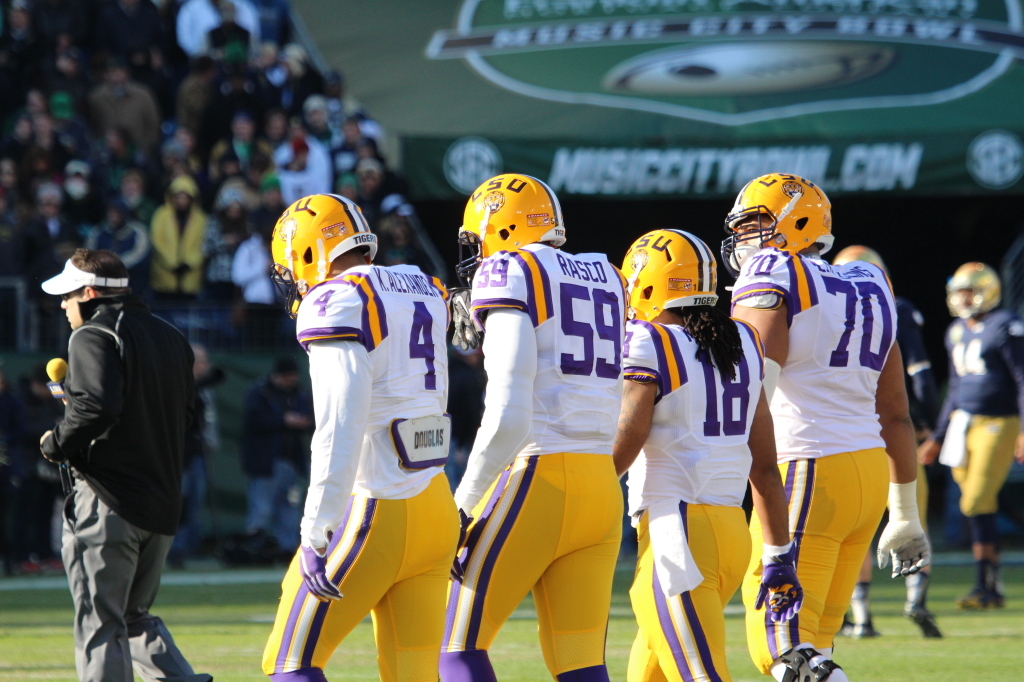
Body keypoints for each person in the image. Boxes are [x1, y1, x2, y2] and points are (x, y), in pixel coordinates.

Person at [722, 174, 929, 682]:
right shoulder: (870, 282)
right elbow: (896, 413)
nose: (745, 239)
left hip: (805, 471)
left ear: (793, 223)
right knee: (814, 642)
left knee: (777, 647)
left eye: (755, 225)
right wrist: (904, 512)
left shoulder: (774, 272)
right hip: (864, 478)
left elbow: (752, 388)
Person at [260, 193, 458, 682]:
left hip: (375, 505)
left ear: (308, 252)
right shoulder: (422, 285)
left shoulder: (337, 299)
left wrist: (316, 525)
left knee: (289, 663)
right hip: (435, 503)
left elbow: (339, 423)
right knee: (412, 673)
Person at [441, 175, 623, 682]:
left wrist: (464, 501)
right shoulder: (607, 273)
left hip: (538, 473)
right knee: (580, 662)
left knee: (454, 646)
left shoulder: (509, 269)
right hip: (602, 486)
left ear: (500, 228)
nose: (477, 254)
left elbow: (508, 411)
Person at [612, 229, 801, 682]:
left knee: (701, 675)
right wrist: (778, 553)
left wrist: (586, 490)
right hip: (730, 533)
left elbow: (629, 435)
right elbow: (765, 467)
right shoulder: (744, 343)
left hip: (675, 534)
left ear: (648, 283)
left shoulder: (648, 341)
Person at [37, 248, 210, 682]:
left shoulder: (92, 335)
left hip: (109, 503)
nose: (62, 305)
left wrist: (56, 443)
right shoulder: (172, 336)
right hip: (162, 504)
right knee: (134, 617)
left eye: (68, 296)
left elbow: (96, 405)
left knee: (101, 623)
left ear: (90, 293)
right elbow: (187, 417)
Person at [831, 245, 943, 638]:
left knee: (853, 528)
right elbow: (920, 378)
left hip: (844, 437)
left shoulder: (821, 306)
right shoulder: (891, 308)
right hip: (892, 435)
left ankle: (860, 617)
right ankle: (915, 600)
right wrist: (929, 426)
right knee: (911, 518)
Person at [918, 262, 1024, 609]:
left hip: (999, 421)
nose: (964, 299)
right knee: (979, 503)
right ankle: (988, 587)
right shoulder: (955, 331)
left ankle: (989, 584)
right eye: (959, 292)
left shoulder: (1005, 326)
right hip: (964, 422)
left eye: (969, 291)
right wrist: (937, 435)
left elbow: (1022, 380)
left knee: (976, 499)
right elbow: (956, 388)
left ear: (987, 290)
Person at [241, 357, 313, 552]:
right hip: (267, 463)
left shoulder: (299, 394)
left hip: (292, 462)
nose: (292, 382)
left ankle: (286, 550)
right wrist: (283, 421)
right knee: (261, 508)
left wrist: (302, 422)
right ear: (278, 376)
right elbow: (254, 422)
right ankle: (256, 549)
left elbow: (311, 419)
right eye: (288, 378)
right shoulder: (261, 392)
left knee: (289, 509)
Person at [150, 175, 207, 300]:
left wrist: (189, 263)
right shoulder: (161, 215)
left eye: (185, 197)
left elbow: (204, 244)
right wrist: (172, 263)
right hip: (164, 278)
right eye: (178, 196)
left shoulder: (200, 219)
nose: (181, 200)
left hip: (191, 278)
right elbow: (157, 241)